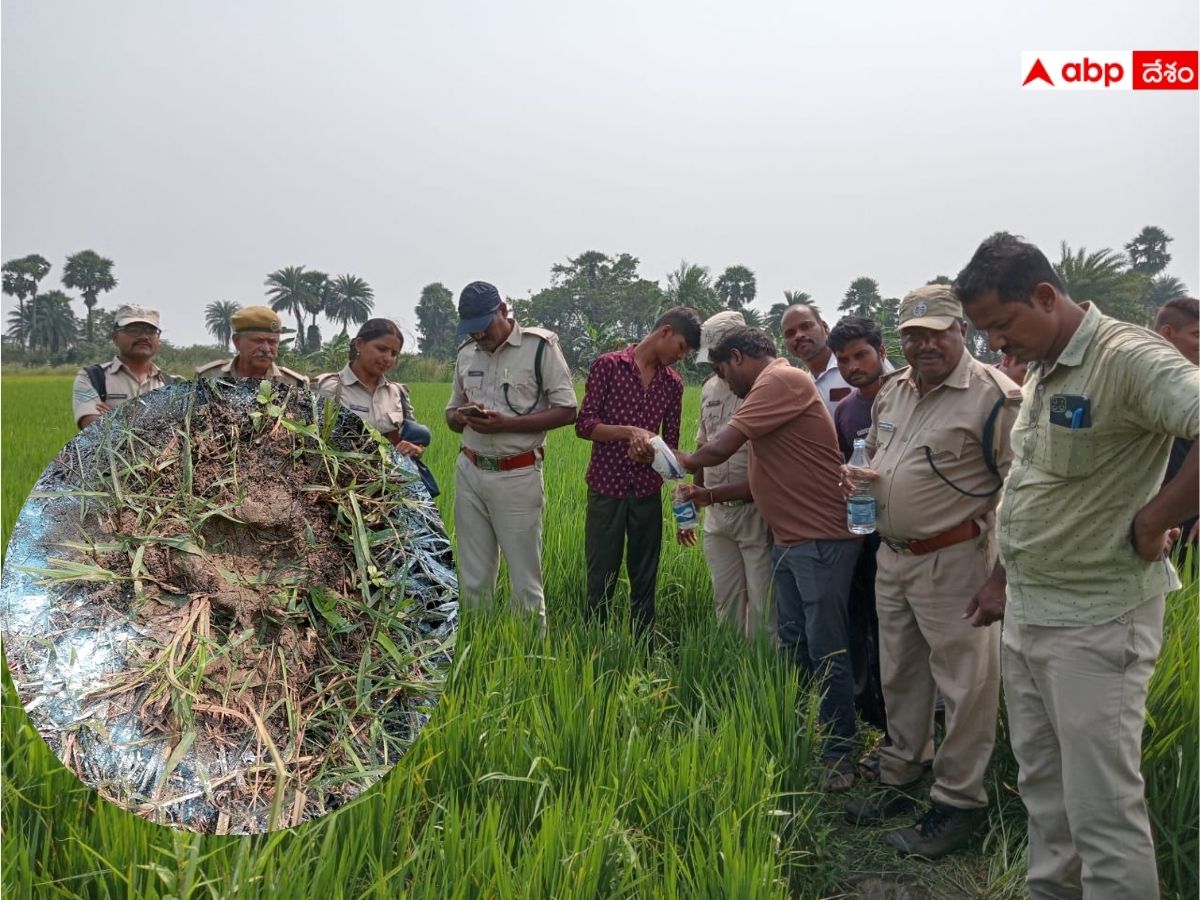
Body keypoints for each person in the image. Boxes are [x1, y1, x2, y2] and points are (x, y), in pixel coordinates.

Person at [955, 235, 1198, 899]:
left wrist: (1153, 520)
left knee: (1101, 809)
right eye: (986, 334)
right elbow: (1035, 478)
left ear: (1044, 296)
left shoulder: (1126, 356)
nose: (999, 348)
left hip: (1098, 619)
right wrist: (1004, 575)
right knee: (1044, 790)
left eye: (1003, 326)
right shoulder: (1045, 363)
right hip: (1031, 612)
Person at [839, 285, 1020, 859]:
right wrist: (864, 478)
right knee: (900, 672)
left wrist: (1002, 577)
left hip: (957, 560)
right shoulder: (893, 393)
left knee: (965, 686)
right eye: (913, 336)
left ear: (961, 330)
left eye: (936, 332)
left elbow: (1021, 493)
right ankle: (902, 770)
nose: (924, 346)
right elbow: (879, 455)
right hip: (892, 557)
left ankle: (957, 802)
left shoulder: (995, 397)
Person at [673, 326, 860, 791]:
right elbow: (762, 480)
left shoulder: (779, 380)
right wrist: (709, 495)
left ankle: (840, 750)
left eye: (721, 371)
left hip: (819, 540)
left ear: (737, 358)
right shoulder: (775, 388)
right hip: (791, 540)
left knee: (826, 646)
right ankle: (795, 726)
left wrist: (663, 456)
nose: (723, 384)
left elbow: (718, 449)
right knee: (794, 641)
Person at [445, 281, 577, 632]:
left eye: (484, 326)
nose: (478, 336)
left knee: (525, 580)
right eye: (471, 329)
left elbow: (567, 410)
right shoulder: (466, 354)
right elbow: (450, 413)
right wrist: (460, 417)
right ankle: (477, 645)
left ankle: (532, 655)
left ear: (503, 311)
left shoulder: (538, 348)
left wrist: (507, 425)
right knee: (473, 577)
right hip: (470, 469)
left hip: (517, 475)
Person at [575, 306, 701, 637]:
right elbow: (585, 424)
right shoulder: (609, 366)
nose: (680, 357)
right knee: (601, 574)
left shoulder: (673, 384)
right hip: (606, 487)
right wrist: (628, 431)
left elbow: (670, 446)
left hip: (646, 490)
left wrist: (651, 455)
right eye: (681, 348)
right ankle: (594, 645)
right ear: (666, 332)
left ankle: (642, 648)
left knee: (645, 576)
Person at [691, 310, 774, 639]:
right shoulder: (710, 388)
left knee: (764, 605)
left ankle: (764, 675)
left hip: (754, 510)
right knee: (725, 602)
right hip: (715, 511)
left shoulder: (763, 388)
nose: (715, 367)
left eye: (720, 359)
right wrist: (695, 496)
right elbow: (703, 443)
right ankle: (730, 669)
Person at [826, 316, 890, 741]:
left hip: (909, 534)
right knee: (864, 617)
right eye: (843, 359)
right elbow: (841, 463)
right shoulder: (847, 409)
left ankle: (912, 725)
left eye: (861, 355)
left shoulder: (908, 396)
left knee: (897, 629)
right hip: (864, 532)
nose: (852, 366)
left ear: (881, 353)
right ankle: (875, 712)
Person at [314, 319, 427, 457]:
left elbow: (412, 440)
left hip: (392, 476)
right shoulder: (328, 387)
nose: (388, 358)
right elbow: (307, 440)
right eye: (381, 349)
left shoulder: (398, 393)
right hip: (342, 475)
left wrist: (416, 450)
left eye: (394, 354)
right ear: (359, 345)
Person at [73, 305, 173, 429]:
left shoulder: (170, 384)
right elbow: (94, 431)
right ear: (115, 337)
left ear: (158, 338)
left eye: (150, 330)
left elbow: (181, 433)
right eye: (133, 330)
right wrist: (156, 425)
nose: (143, 336)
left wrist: (115, 418)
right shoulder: (91, 378)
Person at [1154, 296, 1200, 550]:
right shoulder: (1136, 384)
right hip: (1146, 521)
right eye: (1197, 334)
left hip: (1191, 522)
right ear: (1167, 333)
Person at [195, 306, 307, 386]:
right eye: (258, 341)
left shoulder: (294, 383)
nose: (266, 349)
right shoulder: (209, 375)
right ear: (237, 342)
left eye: (272, 342)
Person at [780, 302, 852, 414]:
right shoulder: (799, 387)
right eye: (790, 333)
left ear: (825, 327)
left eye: (806, 327)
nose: (798, 335)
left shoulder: (857, 365)